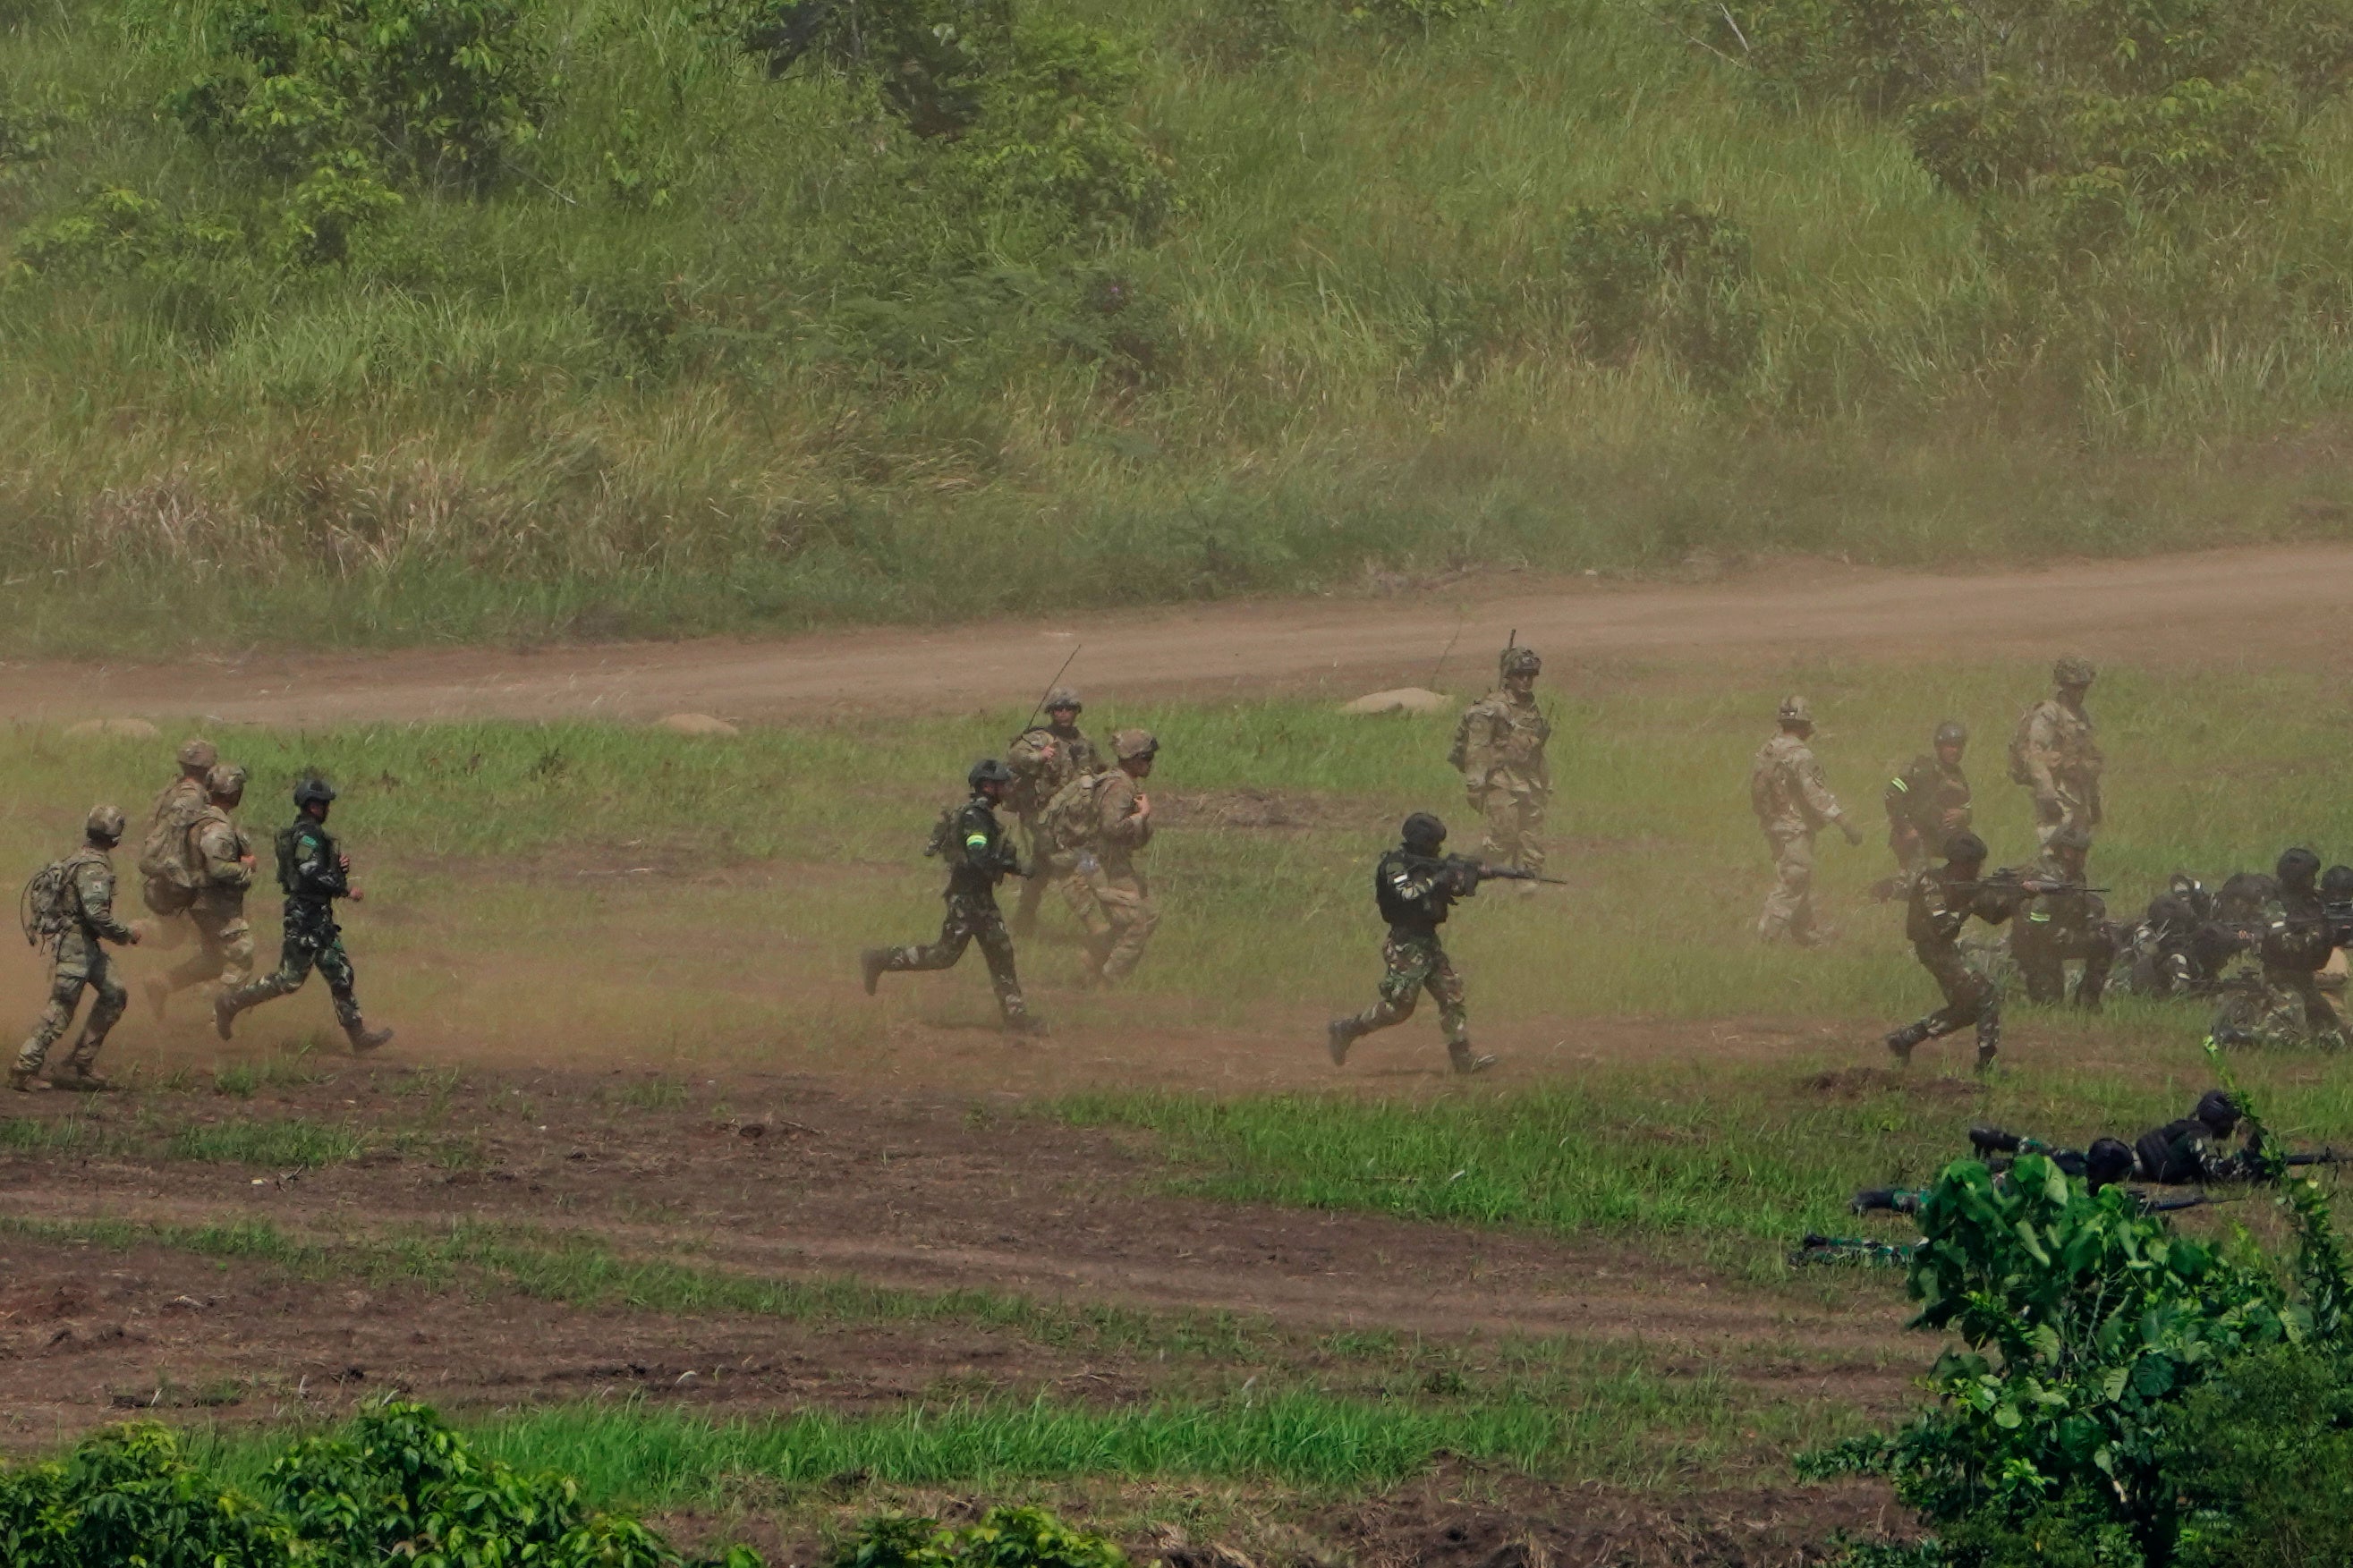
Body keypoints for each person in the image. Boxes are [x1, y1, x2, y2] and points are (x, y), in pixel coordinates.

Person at [861, 759, 1044, 1034]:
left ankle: (1016, 1017)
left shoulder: (982, 815)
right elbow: (978, 856)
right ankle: (879, 959)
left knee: (996, 952)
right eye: (1002, 785)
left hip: (979, 898)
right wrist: (1014, 866)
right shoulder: (975, 818)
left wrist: (1018, 867)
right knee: (946, 955)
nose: (1007, 789)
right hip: (968, 900)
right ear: (987, 786)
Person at [214, 779, 394, 1053]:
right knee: (289, 979)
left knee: (340, 972)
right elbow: (309, 871)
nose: (328, 809)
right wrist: (344, 889)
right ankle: (230, 1003)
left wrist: (337, 868)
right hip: (305, 918)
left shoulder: (312, 834)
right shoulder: (307, 836)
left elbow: (314, 869)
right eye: (324, 804)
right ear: (313, 806)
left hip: (319, 918)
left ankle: (358, 1035)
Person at [1327, 813, 1497, 1075]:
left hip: (1428, 942)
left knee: (1451, 993)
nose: (1437, 849)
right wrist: (1439, 878)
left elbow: (1451, 890)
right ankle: (1347, 1029)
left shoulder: (1430, 866)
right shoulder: (1394, 865)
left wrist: (1471, 876)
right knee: (1399, 1008)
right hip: (1406, 944)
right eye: (1433, 844)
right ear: (1421, 841)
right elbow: (1406, 893)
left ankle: (1462, 1058)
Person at [13, 806, 143, 1092]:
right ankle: (25, 1068)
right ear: (115, 837)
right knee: (61, 1008)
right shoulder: (93, 867)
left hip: (86, 946)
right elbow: (96, 915)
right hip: (76, 947)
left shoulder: (78, 859)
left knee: (115, 993)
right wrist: (126, 933)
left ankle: (80, 1063)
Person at [1885, 832, 2013, 1072]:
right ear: (1960, 864)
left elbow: (1994, 916)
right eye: (1974, 865)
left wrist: (2019, 896)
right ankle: (1987, 1062)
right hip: (1933, 948)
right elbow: (1943, 928)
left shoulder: (1965, 885)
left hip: (1943, 949)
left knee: (1968, 1008)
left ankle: (1906, 1038)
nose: (1978, 870)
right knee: (1986, 993)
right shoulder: (1931, 883)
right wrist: (1971, 904)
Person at [1750, 696, 1865, 945]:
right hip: (1794, 827)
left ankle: (1805, 934)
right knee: (1795, 880)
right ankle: (1766, 937)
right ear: (1805, 724)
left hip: (1774, 825)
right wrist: (1845, 823)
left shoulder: (1769, 749)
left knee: (1799, 876)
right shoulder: (1800, 755)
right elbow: (1816, 795)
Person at [149, 764, 255, 1016]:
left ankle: (164, 982)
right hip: (215, 905)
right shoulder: (217, 827)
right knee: (241, 953)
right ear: (235, 794)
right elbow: (217, 869)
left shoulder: (199, 818)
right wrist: (245, 867)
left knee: (213, 961)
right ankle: (220, 1018)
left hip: (198, 902)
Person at [1066, 730, 1161, 987]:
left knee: (1149, 913)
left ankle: (1090, 961)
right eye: (1146, 758)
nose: (1150, 763)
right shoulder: (1119, 787)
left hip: (1107, 862)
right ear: (1133, 759)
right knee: (1136, 923)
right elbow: (1111, 828)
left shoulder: (1124, 783)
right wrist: (1140, 817)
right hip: (1099, 865)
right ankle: (1109, 981)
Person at [1448, 646, 1551, 883]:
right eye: (1520, 675)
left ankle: (1528, 883)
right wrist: (1475, 786)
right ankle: (1463, 872)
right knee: (1504, 837)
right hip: (1500, 780)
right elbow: (1477, 748)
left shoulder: (1530, 706)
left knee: (1531, 837)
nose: (1526, 680)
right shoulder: (1491, 708)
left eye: (1530, 675)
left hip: (1529, 781)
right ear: (1508, 676)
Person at [1005, 688, 1099, 934]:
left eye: (1070, 708)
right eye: (1058, 709)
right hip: (1042, 817)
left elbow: (1096, 768)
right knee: (1064, 865)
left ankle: (1023, 921)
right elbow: (1014, 757)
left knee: (1039, 869)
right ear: (1051, 712)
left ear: (1077, 711)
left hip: (1070, 818)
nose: (1064, 713)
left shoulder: (1083, 741)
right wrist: (1039, 756)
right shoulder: (1039, 738)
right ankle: (1093, 925)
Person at [2006, 825, 2112, 1010]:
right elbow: (2035, 924)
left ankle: (2087, 1001)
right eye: (2080, 852)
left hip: (2055, 941)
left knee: (2104, 942)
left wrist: (2092, 922)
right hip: (2035, 948)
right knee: (2049, 1003)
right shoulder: (2047, 878)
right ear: (2067, 852)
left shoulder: (2075, 876)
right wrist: (2068, 935)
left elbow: (2078, 908)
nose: (2084, 858)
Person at [2013, 657, 2103, 848]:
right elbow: (2034, 756)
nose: (2080, 692)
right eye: (2075, 687)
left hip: (2080, 795)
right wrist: (2048, 798)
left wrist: (2094, 801)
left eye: (2083, 687)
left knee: (2078, 852)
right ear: (2064, 685)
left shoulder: (2082, 716)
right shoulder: (2049, 713)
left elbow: (2088, 761)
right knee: (2054, 851)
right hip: (2058, 794)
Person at [137, 736, 218, 922]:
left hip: (163, 873)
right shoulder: (192, 798)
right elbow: (179, 838)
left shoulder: (172, 789)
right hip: (178, 878)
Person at [1882, 720, 1971, 885]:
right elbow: (1892, 794)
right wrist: (1906, 828)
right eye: (1950, 746)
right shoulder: (1921, 769)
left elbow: (1966, 806)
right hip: (1914, 836)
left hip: (1939, 835)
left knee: (1972, 854)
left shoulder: (1957, 776)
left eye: (1959, 746)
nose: (1955, 751)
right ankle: (1895, 887)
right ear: (1939, 746)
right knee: (1919, 884)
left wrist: (1963, 815)